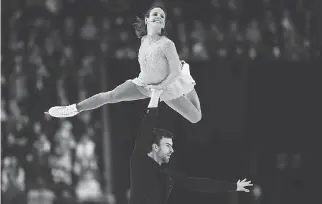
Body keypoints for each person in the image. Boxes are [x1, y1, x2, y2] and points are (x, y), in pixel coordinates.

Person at [46, 5, 202, 123]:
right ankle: (72, 109)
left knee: (196, 117)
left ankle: (189, 84)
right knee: (111, 96)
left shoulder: (167, 44)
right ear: (147, 20)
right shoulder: (144, 40)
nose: (159, 17)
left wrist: (163, 86)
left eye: (162, 16)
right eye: (155, 14)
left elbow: (174, 72)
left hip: (166, 86)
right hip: (145, 84)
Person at [129, 89, 253, 204]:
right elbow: (147, 125)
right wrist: (155, 95)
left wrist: (233, 186)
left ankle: (188, 87)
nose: (172, 150)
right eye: (167, 145)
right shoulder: (139, 161)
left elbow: (197, 184)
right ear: (155, 147)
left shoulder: (166, 177)